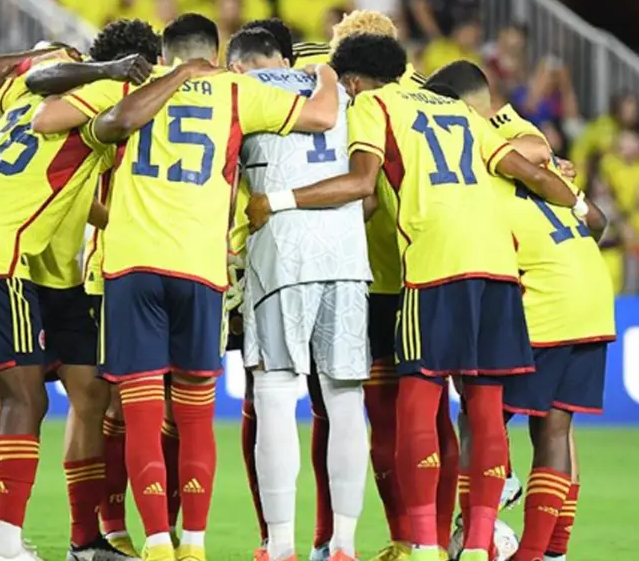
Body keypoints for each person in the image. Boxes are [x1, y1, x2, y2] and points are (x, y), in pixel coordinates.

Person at [244, 34, 583, 561]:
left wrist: (280, 201)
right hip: (497, 268)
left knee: (418, 405)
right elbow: (529, 169)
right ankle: (475, 546)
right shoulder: (461, 111)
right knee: (484, 407)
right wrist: (577, 202)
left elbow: (362, 185)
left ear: (353, 81)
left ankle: (423, 544)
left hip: (435, 266)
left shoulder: (374, 105)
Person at [52, 13, 340, 561]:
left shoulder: (136, 87)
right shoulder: (239, 90)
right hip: (202, 269)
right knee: (193, 414)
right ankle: (195, 543)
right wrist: (324, 72)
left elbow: (67, 129)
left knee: (134, 411)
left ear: (164, 52)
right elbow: (324, 115)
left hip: (131, 267)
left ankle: (154, 541)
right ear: (217, 51)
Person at [0, 43, 151, 561]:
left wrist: (41, 63)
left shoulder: (18, 96)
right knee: (25, 397)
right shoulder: (95, 103)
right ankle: (7, 545)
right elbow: (104, 124)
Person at [426, 61, 614, 561]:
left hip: (546, 298)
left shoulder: (476, 166)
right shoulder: (527, 143)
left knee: (479, 412)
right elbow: (598, 221)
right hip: (592, 291)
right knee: (555, 428)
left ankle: (483, 516)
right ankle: (547, 553)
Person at [289, 9, 458, 561]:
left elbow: (362, 191)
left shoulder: (343, 87)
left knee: (336, 411)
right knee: (432, 417)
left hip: (358, 275)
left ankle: (345, 538)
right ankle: (430, 536)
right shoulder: (432, 95)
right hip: (423, 273)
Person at [227, 27, 371, 561]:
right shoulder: (342, 92)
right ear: (284, 56)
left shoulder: (239, 89)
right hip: (347, 254)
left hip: (281, 254)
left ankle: (281, 544)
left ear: (237, 63)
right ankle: (344, 545)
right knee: (345, 399)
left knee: (274, 396)